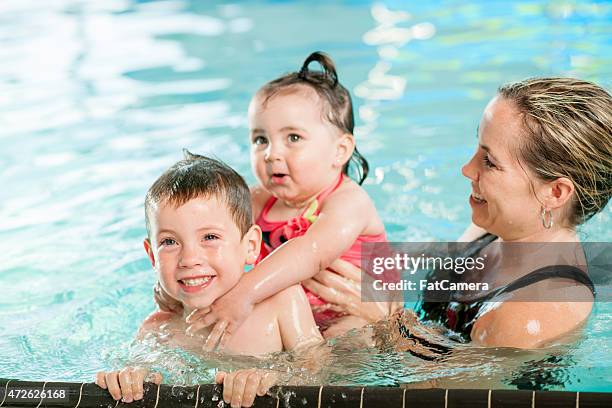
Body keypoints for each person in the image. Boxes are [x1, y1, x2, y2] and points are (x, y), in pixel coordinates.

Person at [307, 77, 611, 349]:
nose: (467, 169)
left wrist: (386, 321)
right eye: (477, 148)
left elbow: (433, 395)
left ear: (555, 193)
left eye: (489, 162)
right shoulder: (493, 229)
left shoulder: (531, 316)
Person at [167, 51, 398, 345]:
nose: (271, 153)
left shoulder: (349, 202)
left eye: (293, 138)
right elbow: (202, 234)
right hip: (292, 312)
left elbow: (311, 251)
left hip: (354, 312)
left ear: (340, 150)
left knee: (349, 343)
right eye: (260, 139)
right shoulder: (257, 200)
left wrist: (245, 292)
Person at [96, 152, 323, 406]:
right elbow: (137, 374)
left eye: (210, 237)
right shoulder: (159, 329)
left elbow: (320, 371)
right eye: (169, 242)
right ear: (152, 256)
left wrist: (277, 378)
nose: (189, 259)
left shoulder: (281, 302)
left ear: (250, 246)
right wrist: (128, 379)